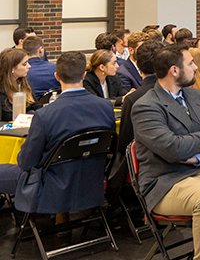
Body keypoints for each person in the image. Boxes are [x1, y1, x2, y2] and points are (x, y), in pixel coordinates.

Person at [131, 45, 200, 260]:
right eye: (190, 63)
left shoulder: (199, 97)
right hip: (167, 182)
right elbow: (173, 149)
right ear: (174, 70)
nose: (196, 67)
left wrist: (198, 155)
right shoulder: (146, 106)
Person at [0, 50, 115, 212]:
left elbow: (26, 162)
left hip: (51, 187)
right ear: (84, 75)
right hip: (91, 181)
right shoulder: (106, 107)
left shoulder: (46, 115)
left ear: (57, 77)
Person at [118, 41, 163, 155]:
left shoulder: (133, 99)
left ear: (137, 65)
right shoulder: (176, 92)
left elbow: (124, 144)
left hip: (144, 161)